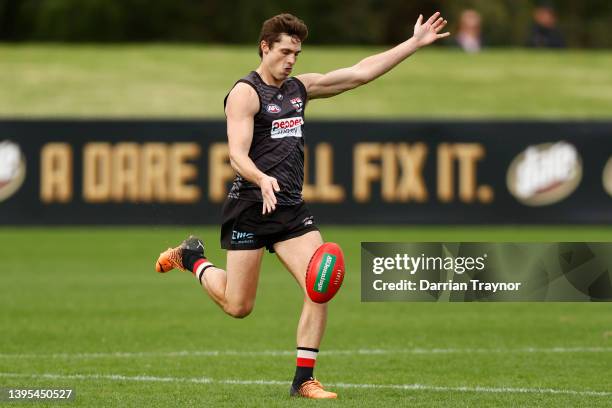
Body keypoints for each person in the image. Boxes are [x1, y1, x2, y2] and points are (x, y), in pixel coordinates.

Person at [155, 12, 449, 399]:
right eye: (285, 51)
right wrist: (261, 178)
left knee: (319, 282)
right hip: (250, 206)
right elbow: (236, 155)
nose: (292, 59)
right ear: (265, 47)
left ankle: (304, 379)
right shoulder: (245, 93)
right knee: (238, 306)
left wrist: (413, 43)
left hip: (291, 210)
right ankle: (192, 258)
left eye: (297, 52)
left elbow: (360, 73)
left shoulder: (299, 89)